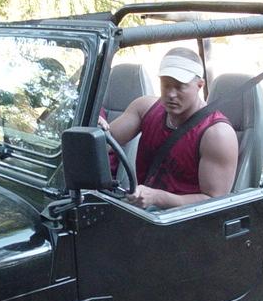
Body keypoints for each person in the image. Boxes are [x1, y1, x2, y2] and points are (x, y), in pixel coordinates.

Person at [99, 47, 238, 209]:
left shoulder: (217, 134)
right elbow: (102, 145)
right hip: (143, 213)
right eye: (166, 85)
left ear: (200, 85)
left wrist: (157, 197)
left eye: (180, 86)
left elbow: (214, 202)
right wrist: (96, 130)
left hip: (187, 219)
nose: (171, 94)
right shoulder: (144, 108)